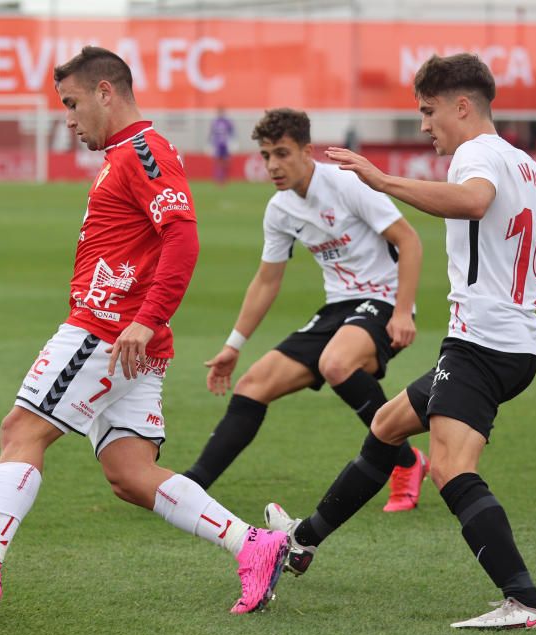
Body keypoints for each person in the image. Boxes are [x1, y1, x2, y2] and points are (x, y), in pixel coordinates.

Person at [0, 46, 288, 615]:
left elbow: (183, 238)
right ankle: (253, 545)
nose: (68, 117)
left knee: (20, 430)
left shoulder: (143, 151)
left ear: (106, 91)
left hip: (107, 331)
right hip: (127, 337)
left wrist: (145, 320)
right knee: (131, 474)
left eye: (73, 102)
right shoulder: (125, 154)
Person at [265, 53, 536, 629]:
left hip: (482, 345)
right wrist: (523, 253)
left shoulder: (477, 154)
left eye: (428, 111)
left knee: (449, 470)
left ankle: (527, 603)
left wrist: (382, 180)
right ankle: (303, 541)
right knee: (386, 426)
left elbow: (475, 202)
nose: (424, 125)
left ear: (462, 106)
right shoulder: (528, 166)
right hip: (508, 345)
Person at [183, 108, 428, 512]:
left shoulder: (347, 184)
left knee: (336, 363)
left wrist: (403, 312)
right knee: (252, 385)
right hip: (339, 310)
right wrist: (233, 345)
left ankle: (403, 464)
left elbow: (410, 240)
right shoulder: (280, 210)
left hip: (383, 301)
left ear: (307, 151)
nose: (272, 165)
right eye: (265, 156)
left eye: (282, 153)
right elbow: (266, 281)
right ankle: (191, 486)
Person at [209, 107, 234, 185]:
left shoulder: (227, 122)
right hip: (217, 145)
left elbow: (232, 133)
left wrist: (233, 143)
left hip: (225, 145)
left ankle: (224, 178)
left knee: (226, 162)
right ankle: (218, 179)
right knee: (218, 162)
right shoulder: (214, 122)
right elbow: (211, 134)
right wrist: (209, 144)